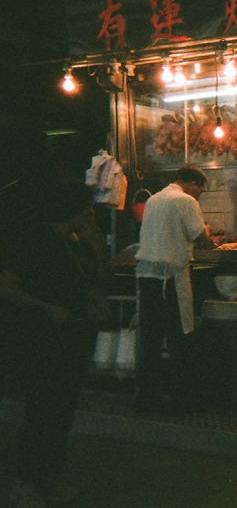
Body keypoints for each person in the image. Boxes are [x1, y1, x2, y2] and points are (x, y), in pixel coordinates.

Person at [1, 182, 110, 508]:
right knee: (43, 411)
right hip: (43, 339)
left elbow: (97, 280)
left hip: (73, 338)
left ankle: (48, 477)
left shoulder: (75, 243)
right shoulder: (32, 240)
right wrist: (47, 308)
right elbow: (6, 285)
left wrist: (97, 248)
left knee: (62, 411)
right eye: (89, 209)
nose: (92, 215)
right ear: (75, 210)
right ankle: (26, 483)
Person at [134, 165, 215, 412]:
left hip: (146, 277)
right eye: (200, 191)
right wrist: (210, 238)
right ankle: (182, 401)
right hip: (170, 279)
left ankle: (148, 397)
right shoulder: (186, 201)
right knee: (180, 339)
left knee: (150, 339)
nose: (199, 196)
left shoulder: (155, 199)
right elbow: (202, 239)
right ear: (191, 184)